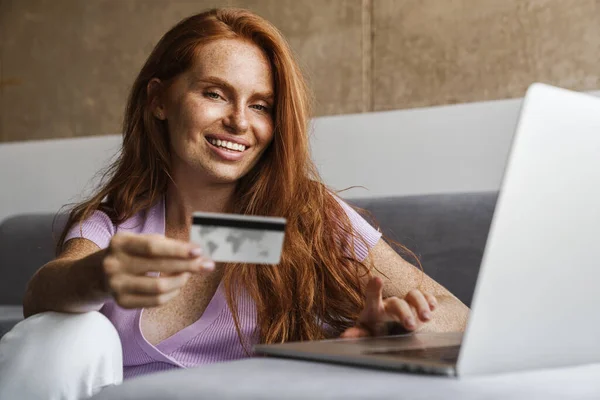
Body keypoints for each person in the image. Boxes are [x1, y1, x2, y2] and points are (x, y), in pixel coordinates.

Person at [0, 8, 469, 400]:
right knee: (67, 331)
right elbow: (41, 295)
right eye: (215, 93)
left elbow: (457, 315)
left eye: (261, 105)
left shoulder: (299, 218)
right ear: (159, 100)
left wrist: (395, 335)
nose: (239, 122)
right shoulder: (120, 223)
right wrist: (98, 274)